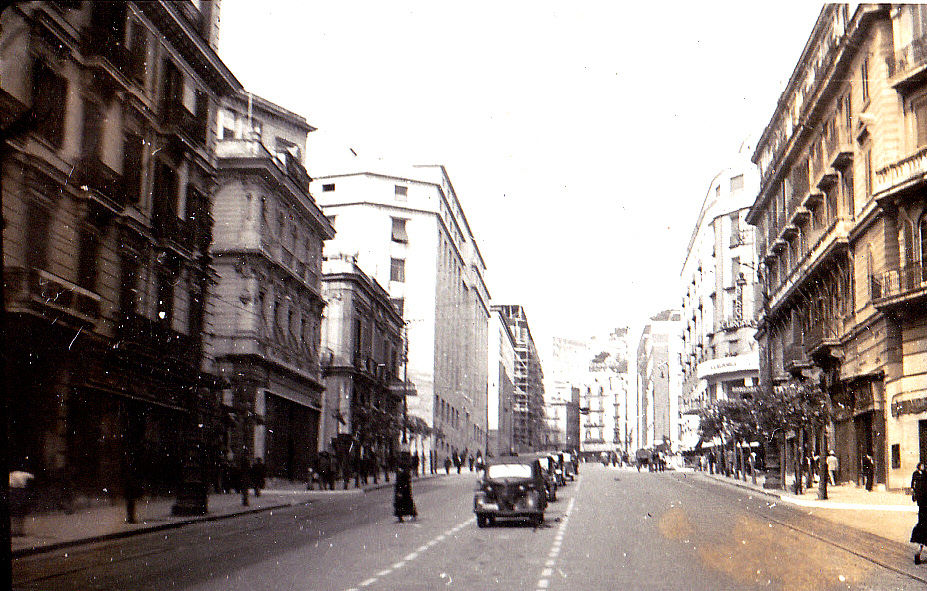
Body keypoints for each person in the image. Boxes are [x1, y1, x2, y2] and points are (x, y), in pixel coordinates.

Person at [394, 456, 417, 523]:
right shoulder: (405, 473)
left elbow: (400, 483)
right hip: (406, 491)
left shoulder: (401, 474)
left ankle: (401, 517)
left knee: (401, 504)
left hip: (402, 491)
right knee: (407, 503)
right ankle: (412, 514)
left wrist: (399, 491)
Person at [912, 463, 927, 564]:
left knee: (922, 539)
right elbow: (913, 483)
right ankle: (918, 553)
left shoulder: (924, 476)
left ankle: (918, 553)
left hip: (922, 515)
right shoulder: (917, 475)